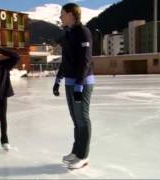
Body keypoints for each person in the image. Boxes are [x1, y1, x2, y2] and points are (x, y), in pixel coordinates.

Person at [53, 3, 95, 169]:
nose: (60, 16)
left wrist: (79, 84)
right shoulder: (67, 34)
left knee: (82, 119)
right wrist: (58, 80)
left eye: (63, 13)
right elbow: (66, 61)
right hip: (70, 82)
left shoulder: (83, 32)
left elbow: (85, 61)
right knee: (76, 120)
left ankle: (83, 156)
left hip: (82, 82)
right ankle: (76, 151)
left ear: (71, 14)